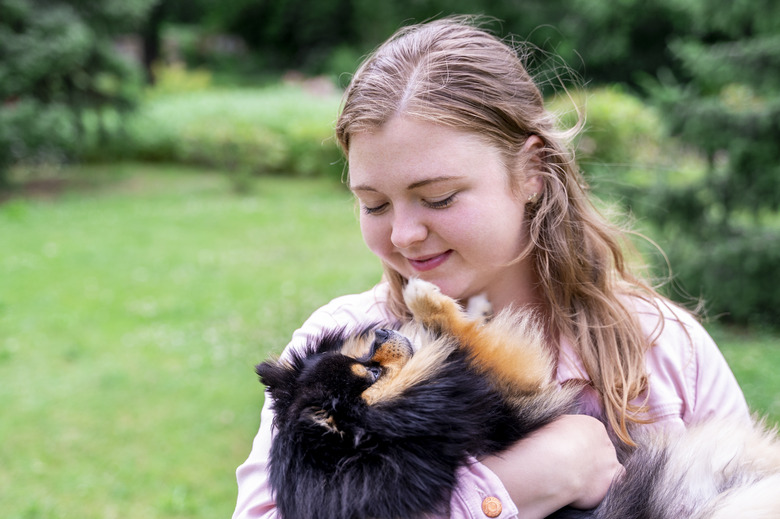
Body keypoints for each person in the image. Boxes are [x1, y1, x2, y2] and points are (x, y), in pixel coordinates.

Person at [232, 16, 749, 519]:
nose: (403, 234)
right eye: (374, 204)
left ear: (531, 172)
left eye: (438, 198)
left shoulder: (667, 350)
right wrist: (527, 483)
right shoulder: (336, 348)